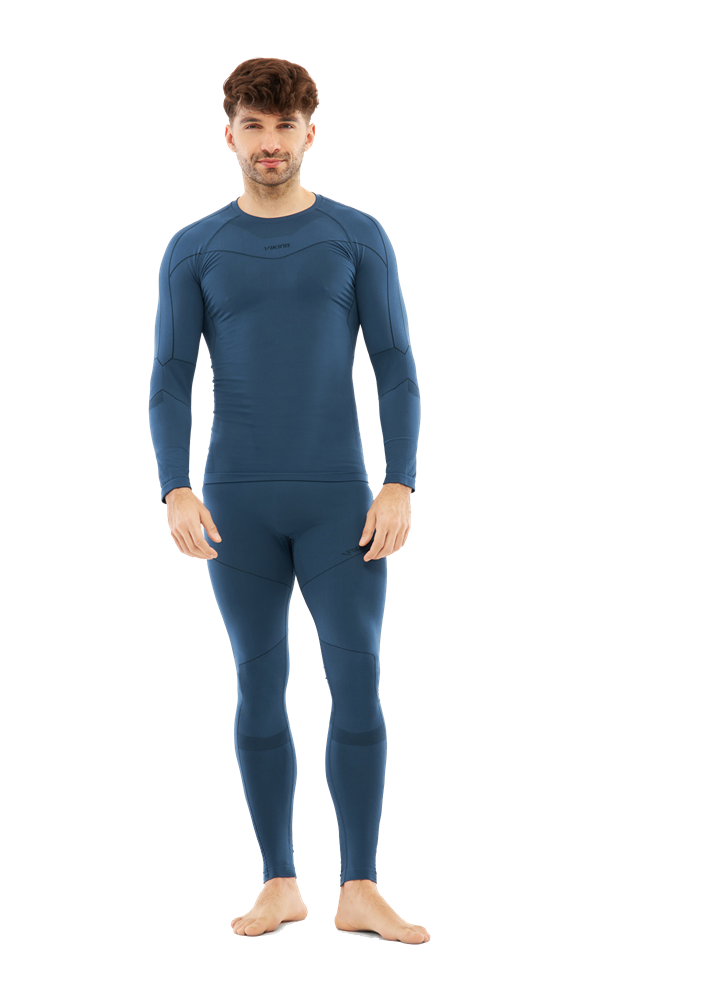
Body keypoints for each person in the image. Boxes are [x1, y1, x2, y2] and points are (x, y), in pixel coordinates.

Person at [148, 57, 427, 945]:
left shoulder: (356, 234)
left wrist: (399, 481)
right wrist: (175, 487)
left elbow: (396, 367)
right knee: (259, 682)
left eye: (285, 126)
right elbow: (169, 377)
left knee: (356, 678)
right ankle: (278, 882)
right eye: (254, 127)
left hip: (342, 501)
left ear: (310, 133)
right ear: (230, 136)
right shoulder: (194, 246)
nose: (270, 143)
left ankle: (360, 887)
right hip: (235, 503)